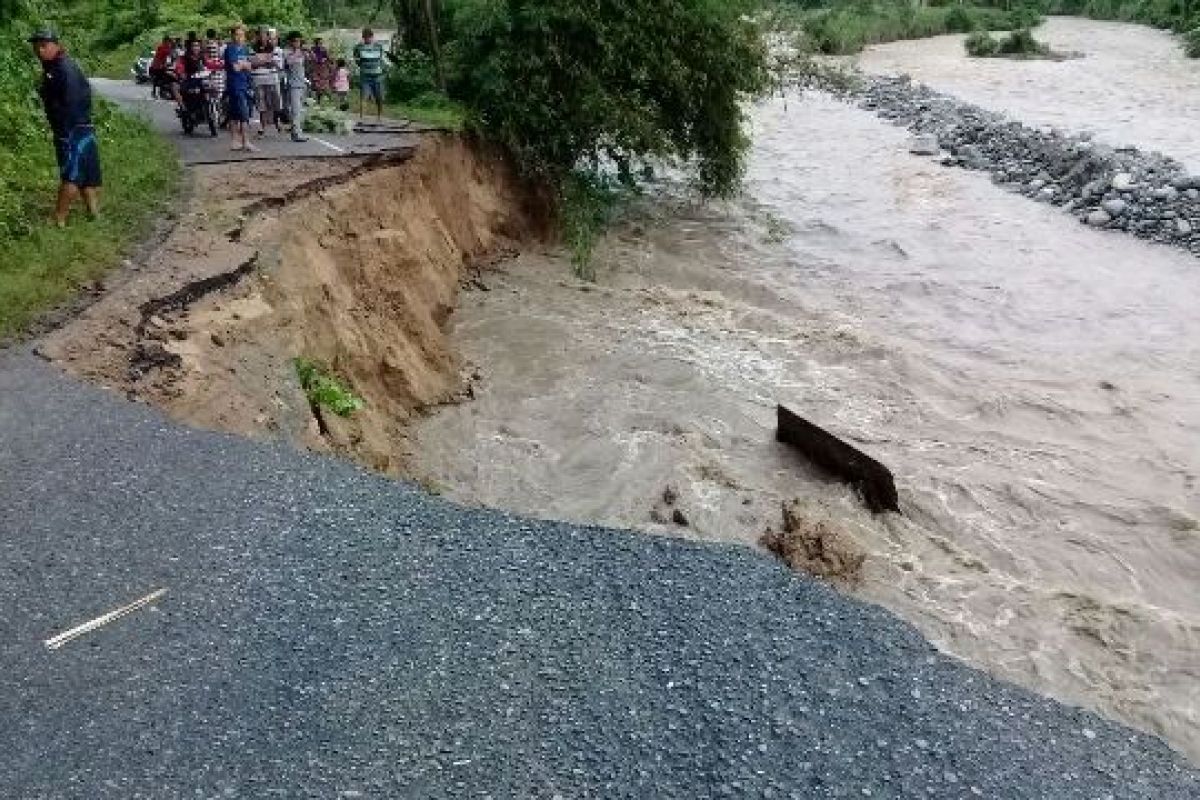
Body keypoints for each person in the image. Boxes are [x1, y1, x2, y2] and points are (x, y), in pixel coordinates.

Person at [29, 29, 101, 226]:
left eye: (44, 45)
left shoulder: (62, 69)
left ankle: (58, 219)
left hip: (72, 130)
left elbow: (72, 101)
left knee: (71, 174)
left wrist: (62, 130)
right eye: (36, 46)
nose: (39, 50)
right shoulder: (58, 66)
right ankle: (94, 214)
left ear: (56, 45)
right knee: (86, 174)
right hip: (82, 127)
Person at [223, 24, 256, 152]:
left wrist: (244, 65)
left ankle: (234, 142)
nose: (239, 37)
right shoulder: (230, 49)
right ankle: (245, 142)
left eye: (242, 35)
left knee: (235, 114)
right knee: (243, 114)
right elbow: (236, 67)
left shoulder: (244, 49)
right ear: (232, 36)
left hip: (244, 83)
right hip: (235, 85)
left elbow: (249, 66)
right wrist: (245, 65)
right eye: (237, 35)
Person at [251, 26, 282, 135]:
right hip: (258, 79)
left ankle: (277, 121)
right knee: (261, 104)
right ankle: (262, 127)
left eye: (265, 34)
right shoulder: (252, 48)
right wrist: (266, 61)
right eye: (260, 34)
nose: (263, 36)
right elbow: (252, 64)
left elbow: (276, 64)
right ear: (257, 36)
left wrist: (261, 61)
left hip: (272, 78)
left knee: (276, 103)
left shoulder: (275, 48)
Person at [353, 27, 386, 121]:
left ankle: (380, 117)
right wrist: (363, 66)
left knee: (379, 97)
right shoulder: (358, 47)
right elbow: (356, 60)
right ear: (363, 37)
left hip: (378, 76)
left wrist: (381, 69)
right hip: (365, 76)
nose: (367, 39)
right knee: (364, 97)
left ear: (372, 37)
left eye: (369, 37)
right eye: (365, 37)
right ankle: (362, 118)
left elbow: (382, 59)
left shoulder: (378, 46)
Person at [283, 32, 309, 143]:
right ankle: (296, 133)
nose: (298, 43)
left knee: (299, 110)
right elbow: (289, 62)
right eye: (295, 41)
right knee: (295, 110)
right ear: (290, 42)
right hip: (292, 85)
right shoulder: (287, 53)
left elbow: (310, 59)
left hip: (301, 83)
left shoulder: (302, 53)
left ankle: (297, 131)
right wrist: (299, 53)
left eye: (299, 41)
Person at [309, 36, 333, 105]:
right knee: (317, 87)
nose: (321, 44)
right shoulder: (312, 50)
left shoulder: (324, 49)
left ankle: (329, 99)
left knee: (325, 86)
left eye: (321, 43)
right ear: (316, 43)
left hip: (323, 70)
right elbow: (312, 59)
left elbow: (328, 58)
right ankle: (318, 100)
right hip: (316, 69)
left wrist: (327, 61)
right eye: (319, 43)